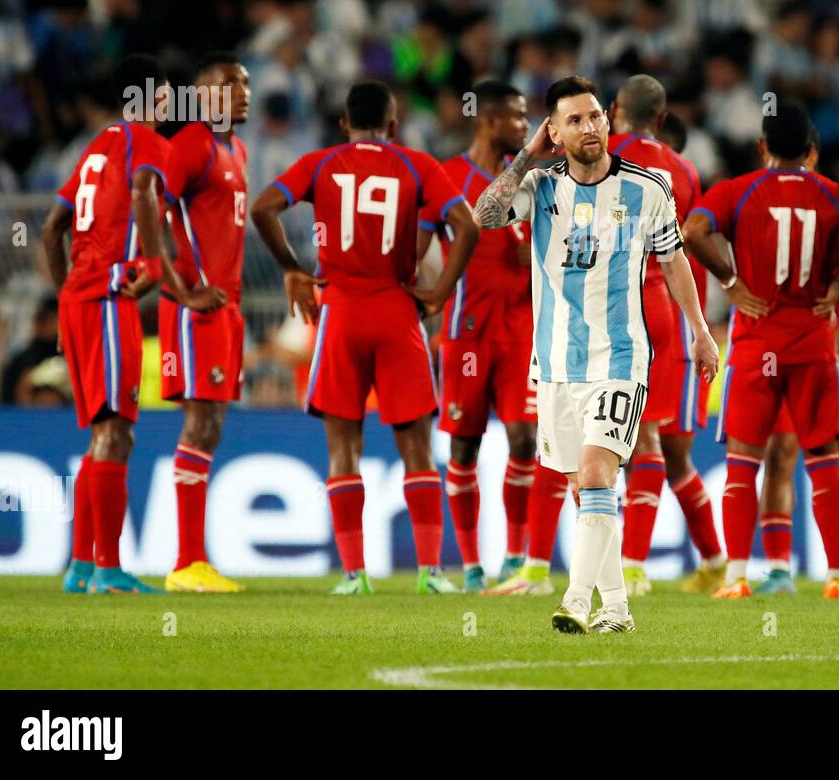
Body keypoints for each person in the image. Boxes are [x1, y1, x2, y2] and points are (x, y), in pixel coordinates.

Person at [472, 75, 718, 634]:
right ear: (554, 132)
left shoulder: (648, 188)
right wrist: (525, 156)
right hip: (556, 361)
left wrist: (700, 331)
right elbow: (485, 216)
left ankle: (576, 601)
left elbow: (675, 261)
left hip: (621, 357)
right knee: (588, 487)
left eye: (595, 117)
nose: (589, 128)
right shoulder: (539, 186)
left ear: (610, 121)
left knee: (595, 470)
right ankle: (618, 610)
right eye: (574, 120)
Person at [251, 80, 479, 596]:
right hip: (398, 312)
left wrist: (291, 268)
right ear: (394, 126)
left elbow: (263, 207)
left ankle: (354, 575)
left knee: (343, 449)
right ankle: (430, 573)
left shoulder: (319, 163)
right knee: (418, 449)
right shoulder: (418, 165)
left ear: (343, 124)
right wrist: (440, 290)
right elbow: (465, 226)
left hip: (341, 314)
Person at [683, 101, 839, 600]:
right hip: (814, 344)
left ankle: (738, 575)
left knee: (743, 462)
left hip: (757, 340)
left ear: (762, 147)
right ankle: (835, 577)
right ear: (812, 150)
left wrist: (731, 281)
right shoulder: (837, 196)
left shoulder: (736, 192)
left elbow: (691, 231)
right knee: (825, 460)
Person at [41, 54, 224, 595]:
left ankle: (80, 566)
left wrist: (64, 296)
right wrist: (164, 273)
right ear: (146, 98)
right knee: (117, 433)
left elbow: (53, 230)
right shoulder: (149, 146)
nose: (168, 105)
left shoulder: (94, 148)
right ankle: (108, 569)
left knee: (102, 432)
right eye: (164, 96)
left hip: (78, 300)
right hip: (108, 297)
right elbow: (147, 190)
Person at [606, 74, 726, 596]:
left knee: (634, 443)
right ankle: (716, 561)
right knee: (672, 452)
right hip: (669, 317)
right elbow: (687, 252)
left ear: (613, 110)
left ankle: (629, 566)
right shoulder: (683, 170)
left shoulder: (599, 153)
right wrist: (698, 326)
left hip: (612, 309)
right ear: (661, 119)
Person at [756, 139, 839, 595]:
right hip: (788, 352)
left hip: (838, 353)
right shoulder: (762, 209)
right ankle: (777, 569)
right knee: (779, 454)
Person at [420, 80, 539, 592]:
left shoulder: (538, 180)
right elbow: (419, 241)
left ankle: (515, 557)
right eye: (516, 117)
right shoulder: (447, 176)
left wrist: (533, 262)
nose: (525, 125)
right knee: (465, 446)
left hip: (521, 334)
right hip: (466, 335)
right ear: (488, 121)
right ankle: (470, 566)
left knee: (526, 440)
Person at [158, 52, 250, 593]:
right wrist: (179, 288)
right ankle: (186, 563)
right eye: (230, 84)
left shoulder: (234, 147)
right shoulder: (191, 142)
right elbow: (151, 206)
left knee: (210, 425)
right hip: (199, 308)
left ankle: (194, 560)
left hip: (227, 308)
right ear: (202, 94)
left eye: (245, 84)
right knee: (198, 422)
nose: (243, 92)